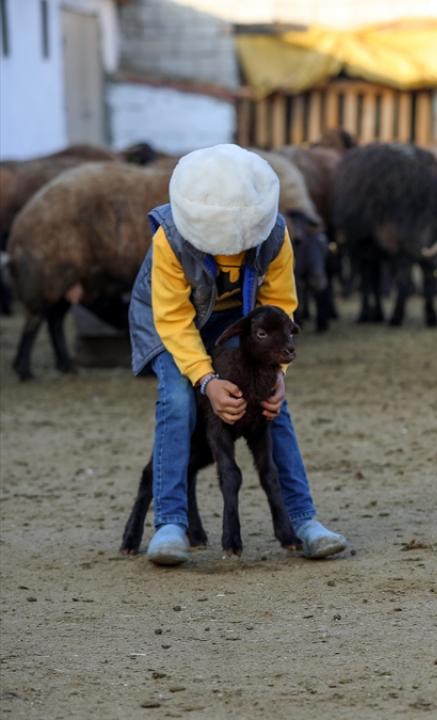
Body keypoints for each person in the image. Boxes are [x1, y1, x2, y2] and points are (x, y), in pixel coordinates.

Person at [128, 144, 347, 566]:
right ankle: (170, 524)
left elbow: (280, 306)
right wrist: (207, 381)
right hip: (169, 317)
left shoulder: (275, 236)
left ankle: (305, 521)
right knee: (176, 400)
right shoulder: (169, 240)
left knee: (271, 406)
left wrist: (277, 371)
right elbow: (173, 320)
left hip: (241, 318)